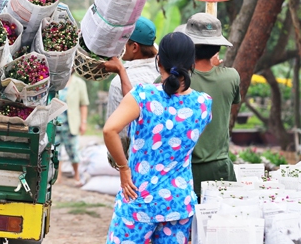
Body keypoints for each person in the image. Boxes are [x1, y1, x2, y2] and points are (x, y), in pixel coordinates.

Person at [103, 32, 212, 243]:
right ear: (192, 64)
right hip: (179, 204)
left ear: (158, 60)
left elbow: (110, 130)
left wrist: (124, 169)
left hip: (139, 198)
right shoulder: (203, 103)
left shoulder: (142, 95)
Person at [176, 13, 241, 201]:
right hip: (219, 167)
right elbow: (233, 100)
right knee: (221, 224)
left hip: (184, 168)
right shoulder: (231, 76)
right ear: (218, 47)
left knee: (186, 228)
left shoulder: (174, 80)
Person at [102, 16, 159, 168]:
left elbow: (118, 133)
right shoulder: (166, 68)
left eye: (122, 43)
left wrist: (120, 164)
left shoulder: (118, 84)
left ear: (134, 47)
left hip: (138, 164)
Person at [55, 70, 89, 186]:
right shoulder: (57, 81)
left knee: (73, 151)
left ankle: (77, 176)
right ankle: (57, 177)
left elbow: (83, 104)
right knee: (55, 152)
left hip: (71, 124)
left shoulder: (79, 83)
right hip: (56, 123)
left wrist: (83, 122)